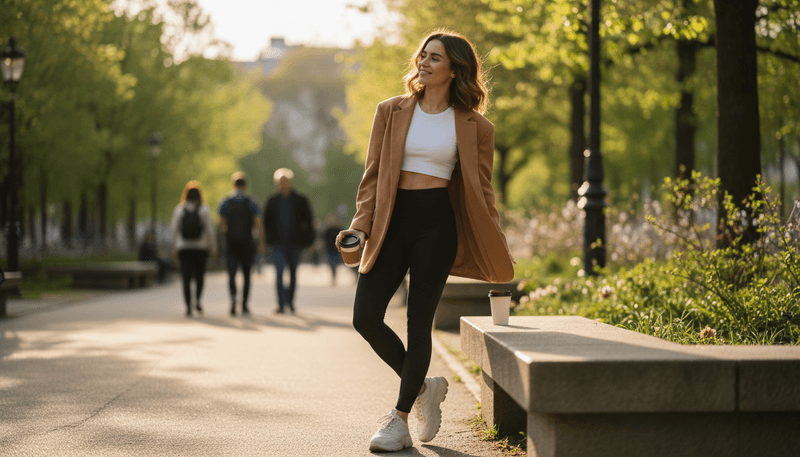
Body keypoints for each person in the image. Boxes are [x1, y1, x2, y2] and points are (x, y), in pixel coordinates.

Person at [337, 29, 514, 452]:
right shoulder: (391, 111)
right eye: (423, 55)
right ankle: (422, 388)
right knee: (365, 316)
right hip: (391, 222)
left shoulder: (475, 127)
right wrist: (360, 226)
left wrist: (496, 242)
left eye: (435, 58)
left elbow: (482, 191)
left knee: (420, 323)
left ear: (455, 69)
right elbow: (373, 177)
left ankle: (398, 421)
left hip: (437, 225)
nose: (424, 63)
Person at [263, 168, 315, 314]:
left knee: (292, 274)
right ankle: (280, 304)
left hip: (295, 243)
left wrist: (309, 241)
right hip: (277, 244)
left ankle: (290, 302)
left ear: (291, 183)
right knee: (279, 274)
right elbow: (265, 222)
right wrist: (265, 241)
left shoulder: (301, 199)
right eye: (280, 182)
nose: (283, 185)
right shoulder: (272, 201)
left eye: (285, 182)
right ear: (276, 184)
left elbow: (309, 221)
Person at [170, 181, 217, 317]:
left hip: (183, 248)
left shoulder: (179, 209)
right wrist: (213, 247)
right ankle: (197, 301)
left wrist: (173, 248)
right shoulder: (204, 209)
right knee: (199, 276)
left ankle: (188, 306)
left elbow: (173, 230)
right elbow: (210, 230)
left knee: (185, 278)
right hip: (200, 248)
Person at [218, 171, 261, 316]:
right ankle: (244, 304)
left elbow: (221, 224)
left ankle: (233, 299)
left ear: (233, 185)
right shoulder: (251, 201)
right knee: (247, 275)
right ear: (246, 186)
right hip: (247, 243)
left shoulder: (225, 202)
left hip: (231, 243)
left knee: (231, 274)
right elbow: (257, 223)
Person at [322, 213, 344, 286]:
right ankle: (333, 276)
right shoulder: (327, 230)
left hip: (337, 250)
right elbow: (323, 239)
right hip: (329, 250)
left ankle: (334, 276)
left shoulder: (339, 229)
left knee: (336, 263)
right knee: (332, 264)